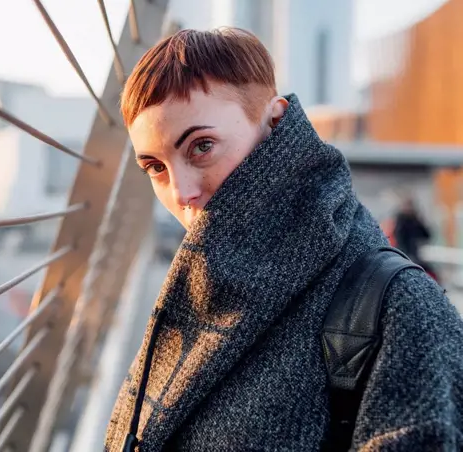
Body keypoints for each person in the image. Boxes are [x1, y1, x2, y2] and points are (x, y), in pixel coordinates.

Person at [104, 28, 463, 451]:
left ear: (275, 122)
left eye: (202, 147)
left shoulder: (398, 305)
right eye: (155, 168)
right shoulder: (198, 288)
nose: (181, 192)